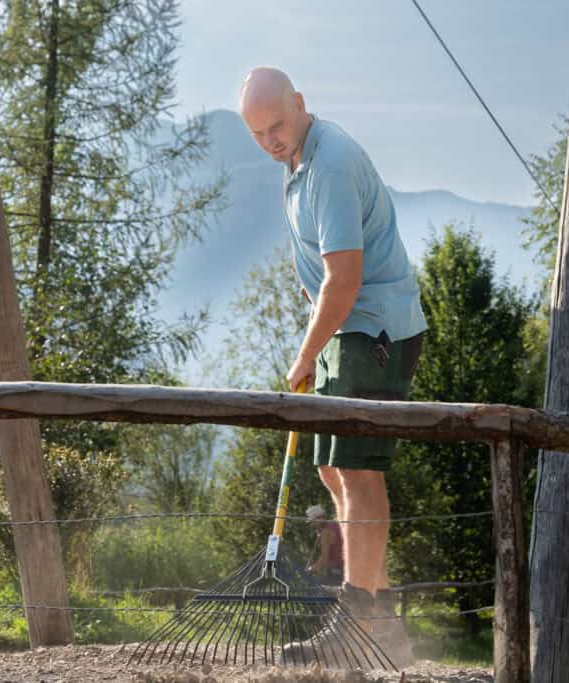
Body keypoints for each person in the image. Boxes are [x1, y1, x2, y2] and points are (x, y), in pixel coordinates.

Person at [239, 66, 425, 667]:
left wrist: (305, 352)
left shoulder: (333, 163)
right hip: (344, 328)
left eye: (277, 125)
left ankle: (357, 622)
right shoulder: (294, 165)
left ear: (300, 103)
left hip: (373, 330)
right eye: (257, 132)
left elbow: (344, 281)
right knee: (332, 473)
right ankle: (385, 624)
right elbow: (320, 275)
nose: (270, 139)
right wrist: (316, 339)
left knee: (357, 470)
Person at [305, 504, 344, 584]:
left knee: (322, 592)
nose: (312, 525)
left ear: (320, 518)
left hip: (336, 573)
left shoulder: (325, 533)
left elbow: (324, 559)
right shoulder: (335, 524)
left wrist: (312, 569)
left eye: (313, 522)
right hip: (344, 569)